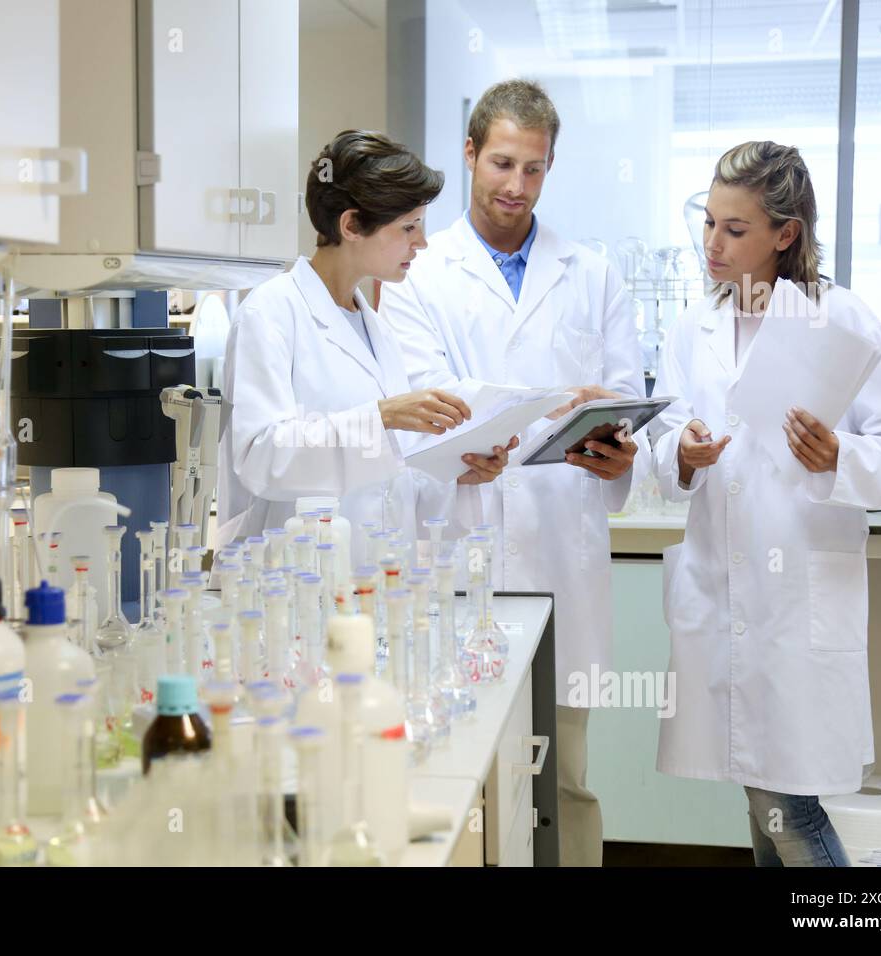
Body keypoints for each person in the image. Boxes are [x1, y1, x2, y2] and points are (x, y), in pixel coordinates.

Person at [650, 141, 881, 866]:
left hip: (797, 603)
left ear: (785, 233)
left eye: (734, 229)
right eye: (708, 223)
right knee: (763, 797)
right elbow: (662, 434)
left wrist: (843, 455)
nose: (712, 245)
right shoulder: (695, 326)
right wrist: (679, 453)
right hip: (721, 593)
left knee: (789, 807)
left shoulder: (838, 319)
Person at [381, 80, 645, 866]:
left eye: (534, 170)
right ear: (467, 153)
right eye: (502, 163)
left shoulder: (591, 273)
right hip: (461, 550)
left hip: (563, 545)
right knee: (463, 783)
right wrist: (545, 406)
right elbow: (430, 410)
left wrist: (620, 444)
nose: (516, 186)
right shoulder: (419, 274)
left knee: (565, 784)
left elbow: (626, 402)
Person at [217, 130, 516, 562]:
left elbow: (388, 479)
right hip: (289, 582)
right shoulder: (270, 313)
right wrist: (381, 417)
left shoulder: (375, 328)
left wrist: (457, 474)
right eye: (408, 227)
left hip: (369, 580)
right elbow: (262, 457)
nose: (422, 242)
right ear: (352, 225)